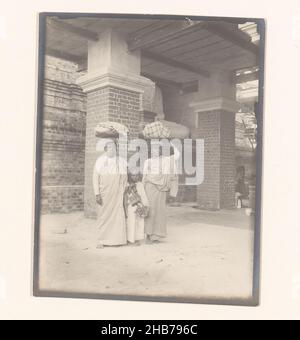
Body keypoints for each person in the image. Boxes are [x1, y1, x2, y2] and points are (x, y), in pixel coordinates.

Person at [142, 141, 179, 244]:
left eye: (157, 149)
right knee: (150, 211)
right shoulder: (147, 161)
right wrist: (141, 190)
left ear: (160, 151)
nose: (155, 151)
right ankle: (148, 235)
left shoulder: (165, 161)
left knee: (159, 211)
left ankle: (156, 236)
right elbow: (144, 177)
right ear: (150, 151)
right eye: (153, 149)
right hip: (149, 187)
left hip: (160, 189)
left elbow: (176, 156)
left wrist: (171, 143)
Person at [93, 139, 128, 248]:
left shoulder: (121, 161)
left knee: (118, 215)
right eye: (110, 147)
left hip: (117, 194)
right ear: (105, 149)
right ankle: (102, 240)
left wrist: (123, 190)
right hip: (104, 193)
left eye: (114, 147)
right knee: (103, 216)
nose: (112, 149)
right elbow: (95, 178)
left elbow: (124, 178)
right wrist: (97, 193)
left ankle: (117, 240)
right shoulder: (100, 161)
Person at [124, 173, 149, 245]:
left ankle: (137, 238)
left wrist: (145, 205)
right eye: (133, 175)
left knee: (139, 222)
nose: (135, 177)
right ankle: (130, 240)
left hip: (139, 204)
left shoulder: (140, 184)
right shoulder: (127, 185)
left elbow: (143, 195)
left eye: (137, 175)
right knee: (131, 222)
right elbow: (126, 197)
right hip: (130, 205)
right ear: (129, 176)